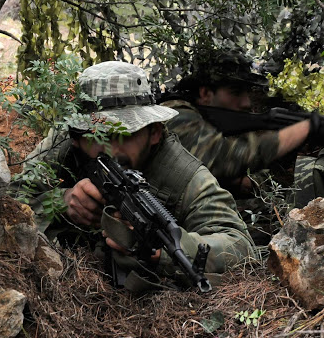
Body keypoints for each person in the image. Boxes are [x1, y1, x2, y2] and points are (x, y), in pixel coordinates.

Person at [16, 61, 257, 291]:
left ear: (154, 132)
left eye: (123, 134)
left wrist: (162, 252)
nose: (108, 148)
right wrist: (62, 201)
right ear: (77, 136)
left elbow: (240, 246)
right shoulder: (65, 145)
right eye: (96, 134)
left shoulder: (185, 177)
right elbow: (9, 197)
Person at [161, 47, 324, 198]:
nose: (246, 103)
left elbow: (241, 184)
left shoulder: (205, 121)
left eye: (247, 93)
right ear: (205, 94)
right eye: (236, 93)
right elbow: (223, 157)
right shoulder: (174, 114)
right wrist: (310, 127)